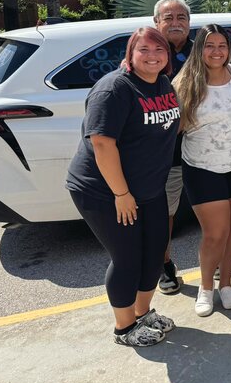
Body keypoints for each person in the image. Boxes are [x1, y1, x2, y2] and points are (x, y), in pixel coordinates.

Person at [66, 27, 179, 347]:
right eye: (144, 50)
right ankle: (124, 327)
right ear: (130, 53)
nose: (153, 56)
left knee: (155, 253)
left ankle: (142, 314)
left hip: (149, 187)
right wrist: (122, 194)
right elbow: (102, 144)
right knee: (128, 258)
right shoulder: (114, 89)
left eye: (160, 50)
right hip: (105, 191)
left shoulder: (161, 83)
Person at [174, 25, 231, 316]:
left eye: (223, 45)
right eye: (210, 45)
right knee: (214, 233)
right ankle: (205, 287)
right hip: (202, 167)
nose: (217, 51)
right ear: (200, 49)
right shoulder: (185, 82)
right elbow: (173, 127)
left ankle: (226, 283)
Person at [152, 0, 193, 295]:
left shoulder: (203, 49)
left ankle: (215, 259)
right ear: (157, 23)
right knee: (164, 213)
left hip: (206, 147)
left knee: (212, 207)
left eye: (181, 17)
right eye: (169, 17)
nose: (176, 22)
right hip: (168, 154)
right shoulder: (147, 53)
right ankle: (164, 263)